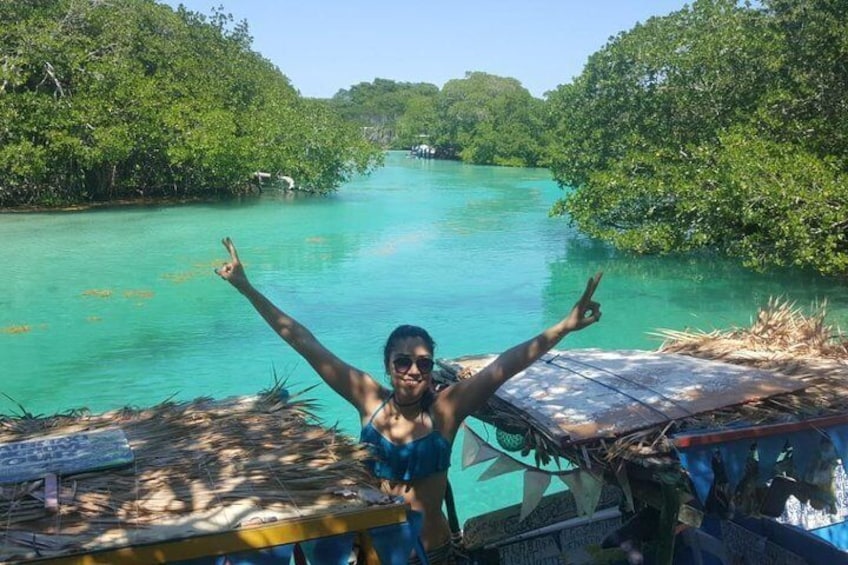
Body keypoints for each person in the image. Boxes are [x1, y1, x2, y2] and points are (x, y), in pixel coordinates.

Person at [215, 237, 602, 564]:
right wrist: (247, 288)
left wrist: (564, 326)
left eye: (423, 363)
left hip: (432, 554)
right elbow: (304, 342)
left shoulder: (446, 412)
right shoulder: (368, 400)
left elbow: (507, 364)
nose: (413, 370)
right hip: (374, 554)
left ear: (431, 368)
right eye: (403, 361)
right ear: (388, 366)